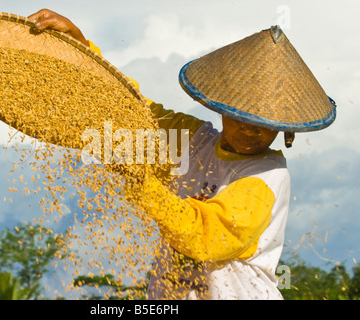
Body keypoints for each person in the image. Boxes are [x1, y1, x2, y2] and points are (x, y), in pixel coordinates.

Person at [28, 9, 336, 300]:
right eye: (241, 116)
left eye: (262, 123)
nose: (250, 129)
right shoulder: (194, 142)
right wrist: (81, 47)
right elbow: (133, 113)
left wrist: (142, 183)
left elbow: (204, 236)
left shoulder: (265, 177)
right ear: (221, 108)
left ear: (284, 129)